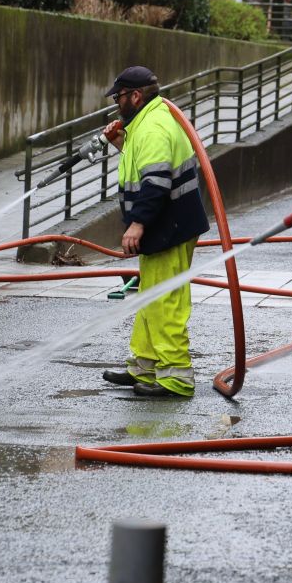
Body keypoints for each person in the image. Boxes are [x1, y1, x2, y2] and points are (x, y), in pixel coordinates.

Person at [97, 66, 210, 398]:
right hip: (167, 224)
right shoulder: (146, 124)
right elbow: (148, 166)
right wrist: (120, 142)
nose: (117, 104)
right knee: (151, 298)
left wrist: (137, 223)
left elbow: (157, 182)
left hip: (168, 226)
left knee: (165, 302)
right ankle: (144, 367)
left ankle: (176, 378)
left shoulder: (154, 127)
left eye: (119, 97)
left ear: (135, 96)